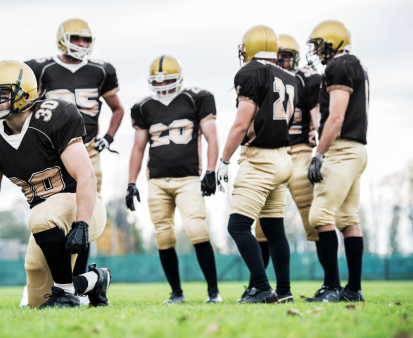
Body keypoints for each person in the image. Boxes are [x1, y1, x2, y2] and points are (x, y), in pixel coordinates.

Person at [0, 60, 110, 309]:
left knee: (39, 216)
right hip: (46, 221)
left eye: (1, 93)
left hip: (82, 207)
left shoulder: (54, 116)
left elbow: (86, 176)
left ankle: (67, 294)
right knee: (38, 302)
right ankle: (96, 280)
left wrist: (82, 223)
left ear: (24, 94)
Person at [24, 18, 124, 299]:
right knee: (44, 214)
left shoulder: (102, 70)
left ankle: (77, 284)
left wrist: (110, 137)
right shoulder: (40, 67)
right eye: (76, 39)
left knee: (85, 215)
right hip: (50, 152)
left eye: (86, 40)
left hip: (87, 149)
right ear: (62, 38)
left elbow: (118, 109)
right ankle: (44, 278)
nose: (82, 44)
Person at [126, 55, 222, 303]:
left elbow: (212, 137)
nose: (162, 87)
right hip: (157, 181)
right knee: (163, 235)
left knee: (197, 229)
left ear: (179, 79)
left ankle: (213, 292)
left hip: (188, 179)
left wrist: (210, 171)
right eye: (157, 83)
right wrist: (131, 183)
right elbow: (138, 148)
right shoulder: (144, 107)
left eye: (167, 81)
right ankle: (177, 293)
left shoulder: (196, 98)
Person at [238, 34, 326, 302]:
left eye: (288, 56)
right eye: (281, 55)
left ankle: (329, 282)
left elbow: (318, 119)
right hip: (280, 154)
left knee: (314, 221)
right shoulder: (275, 79)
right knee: (267, 228)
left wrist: (320, 152)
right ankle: (263, 286)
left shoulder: (303, 79)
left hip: (296, 152)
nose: (284, 61)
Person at [218, 25, 298, 304]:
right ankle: (285, 291)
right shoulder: (290, 77)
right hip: (284, 158)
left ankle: (262, 288)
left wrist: (224, 159)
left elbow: (241, 124)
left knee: (238, 226)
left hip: (260, 160)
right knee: (275, 229)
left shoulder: (250, 72)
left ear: (248, 48)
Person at [306, 20, 369, 302]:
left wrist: (319, 152)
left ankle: (331, 287)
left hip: (342, 149)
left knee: (320, 215)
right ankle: (353, 289)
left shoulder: (340, 66)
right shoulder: (357, 66)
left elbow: (337, 116)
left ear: (333, 43)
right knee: (348, 218)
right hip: (357, 149)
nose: (317, 51)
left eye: (319, 45)